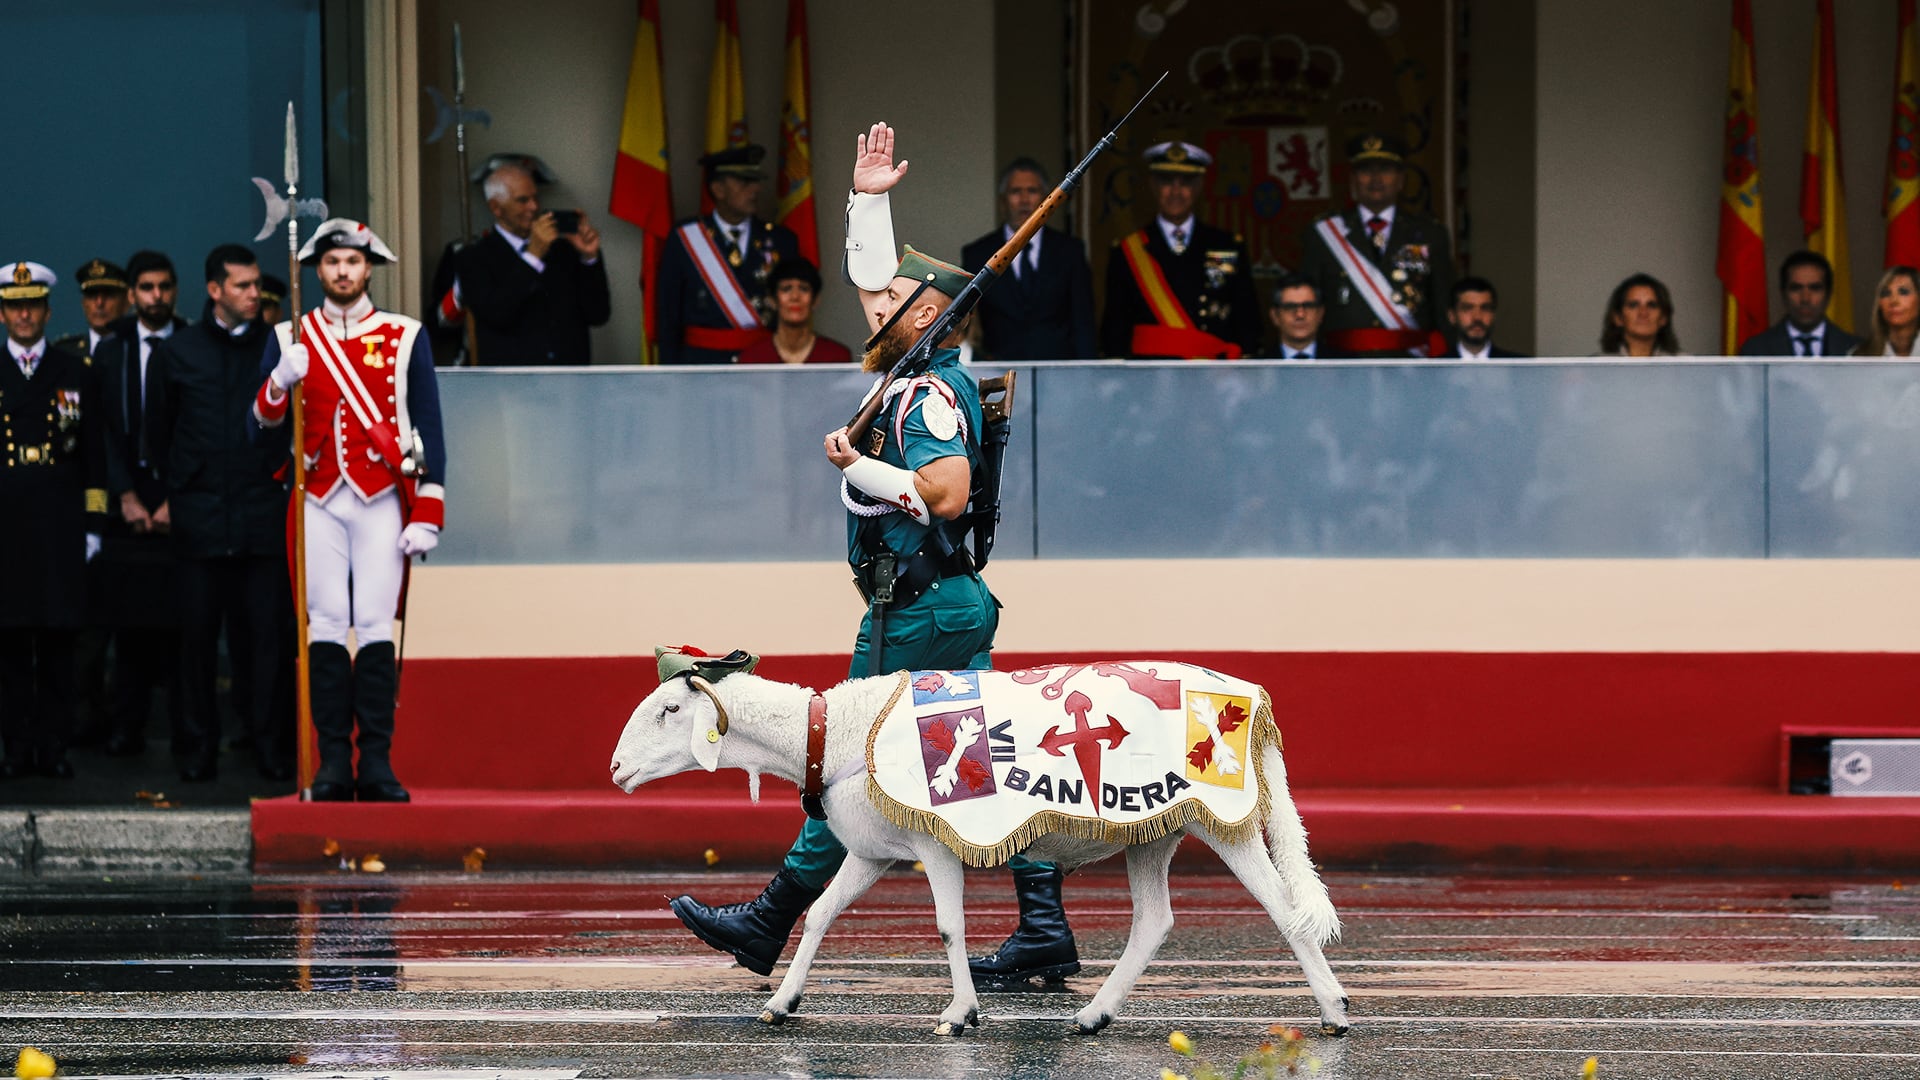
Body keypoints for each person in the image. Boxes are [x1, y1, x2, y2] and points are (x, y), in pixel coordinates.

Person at [668, 123, 1082, 989]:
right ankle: (1043, 923)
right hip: (952, 600)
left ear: (925, 315)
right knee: (984, 761)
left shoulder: (925, 392)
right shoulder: (919, 368)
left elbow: (946, 495)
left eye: (889, 301)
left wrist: (863, 468)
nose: (867, 308)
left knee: (843, 761)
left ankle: (768, 920)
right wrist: (869, 199)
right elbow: (872, 278)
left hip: (919, 607)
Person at [251, 218, 447, 802]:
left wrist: (428, 510)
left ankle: (378, 764)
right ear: (317, 270)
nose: (342, 272)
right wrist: (279, 384)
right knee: (328, 625)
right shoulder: (290, 336)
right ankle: (333, 762)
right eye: (332, 262)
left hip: (383, 498)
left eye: (352, 262)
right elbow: (258, 431)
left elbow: (430, 425)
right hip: (317, 497)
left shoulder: (405, 334)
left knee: (376, 626)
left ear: (368, 268)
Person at [148, 244, 295, 782]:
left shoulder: (279, 349)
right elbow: (159, 432)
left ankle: (268, 745)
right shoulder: (178, 351)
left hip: (261, 515)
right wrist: (181, 489)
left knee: (265, 642)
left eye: (257, 284)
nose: (256, 293)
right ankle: (196, 748)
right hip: (200, 519)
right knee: (195, 645)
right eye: (243, 285)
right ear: (215, 291)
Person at [0, 261, 108, 779]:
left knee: (60, 645)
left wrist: (93, 526)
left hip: (60, 524)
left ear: (46, 310)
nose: (24, 314)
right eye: (15, 305)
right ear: (2, 313)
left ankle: (54, 748)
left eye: (33, 304)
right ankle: (16, 748)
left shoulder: (75, 372)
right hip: (6, 529)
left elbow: (95, 456)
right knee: (11, 646)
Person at [91, 250, 186, 767]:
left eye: (165, 287)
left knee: (179, 628)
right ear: (131, 294)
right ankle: (126, 729)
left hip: (177, 501)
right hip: (126, 503)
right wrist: (124, 495)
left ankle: (183, 735)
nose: (157, 297)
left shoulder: (190, 342)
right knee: (128, 628)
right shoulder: (111, 349)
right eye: (146, 288)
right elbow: (102, 430)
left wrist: (176, 497)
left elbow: (197, 430)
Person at [1298, 132, 1455, 357]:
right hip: (1342, 365)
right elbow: (1307, 304)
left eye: (1386, 169)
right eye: (1366, 170)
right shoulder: (1324, 234)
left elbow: (1443, 307)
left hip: (1410, 366)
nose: (1376, 178)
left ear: (1401, 180)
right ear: (1353, 179)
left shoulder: (1430, 234)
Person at [1100, 141, 1260, 359]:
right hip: (1150, 373)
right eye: (1166, 181)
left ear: (1199, 186)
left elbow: (1246, 314)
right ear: (1153, 185)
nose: (1176, 191)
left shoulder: (1226, 244)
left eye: (1186, 182)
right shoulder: (1128, 251)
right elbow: (1116, 325)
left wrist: (1243, 367)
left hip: (1213, 372)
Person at [656, 144, 803, 364]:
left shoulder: (782, 241)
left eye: (756, 181)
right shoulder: (685, 239)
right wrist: (671, 377)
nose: (755, 189)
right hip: (701, 365)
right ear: (718, 189)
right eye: (745, 182)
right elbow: (668, 315)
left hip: (762, 364)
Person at [459, 161, 610, 365]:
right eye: (523, 200)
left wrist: (589, 258)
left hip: (571, 385)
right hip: (511, 388)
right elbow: (497, 315)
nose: (534, 207)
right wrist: (532, 257)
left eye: (535, 197)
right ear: (496, 207)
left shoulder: (562, 249)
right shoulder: (473, 257)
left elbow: (598, 314)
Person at [960, 157, 1096, 360]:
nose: (1024, 200)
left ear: (1046, 198)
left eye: (1032, 191)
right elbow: (966, 326)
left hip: (1058, 371)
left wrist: (1087, 373)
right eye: (1015, 192)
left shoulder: (1070, 251)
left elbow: (1083, 322)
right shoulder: (977, 254)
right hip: (997, 374)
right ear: (1002, 201)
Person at [1738, 251, 1864, 357]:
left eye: (1815, 288)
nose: (1805, 298)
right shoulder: (1755, 350)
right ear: (1783, 294)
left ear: (1828, 294)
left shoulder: (1857, 350)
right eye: (1796, 288)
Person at [735, 258, 852, 364]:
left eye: (803, 288)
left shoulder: (837, 357)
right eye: (786, 289)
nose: (795, 296)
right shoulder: (753, 359)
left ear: (815, 300)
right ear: (772, 300)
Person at [52, 259, 129, 359]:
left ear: (126, 303)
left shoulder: (138, 351)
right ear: (83, 303)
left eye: (108, 295)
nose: (99, 303)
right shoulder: (64, 353)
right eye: (92, 295)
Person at [1598, 273, 1685, 357]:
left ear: (1663, 318)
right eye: (1633, 305)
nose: (1643, 313)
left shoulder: (1686, 366)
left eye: (1652, 305)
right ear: (1618, 318)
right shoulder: (1594, 367)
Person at [1440, 277, 1523, 359]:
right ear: (1452, 316)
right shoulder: (1435, 370)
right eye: (1468, 308)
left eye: (1485, 308)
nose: (1477, 317)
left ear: (1493, 315)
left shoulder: (1517, 367)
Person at [1263, 274, 1335, 359]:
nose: (1300, 315)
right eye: (1290, 307)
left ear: (1320, 313)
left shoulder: (1345, 365)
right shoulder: (1255, 368)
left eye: (1308, 306)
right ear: (1275, 316)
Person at [1853, 266, 1920, 356]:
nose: (1893, 301)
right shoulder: (1859, 356)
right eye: (1886, 293)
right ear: (1879, 304)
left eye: (1903, 292)